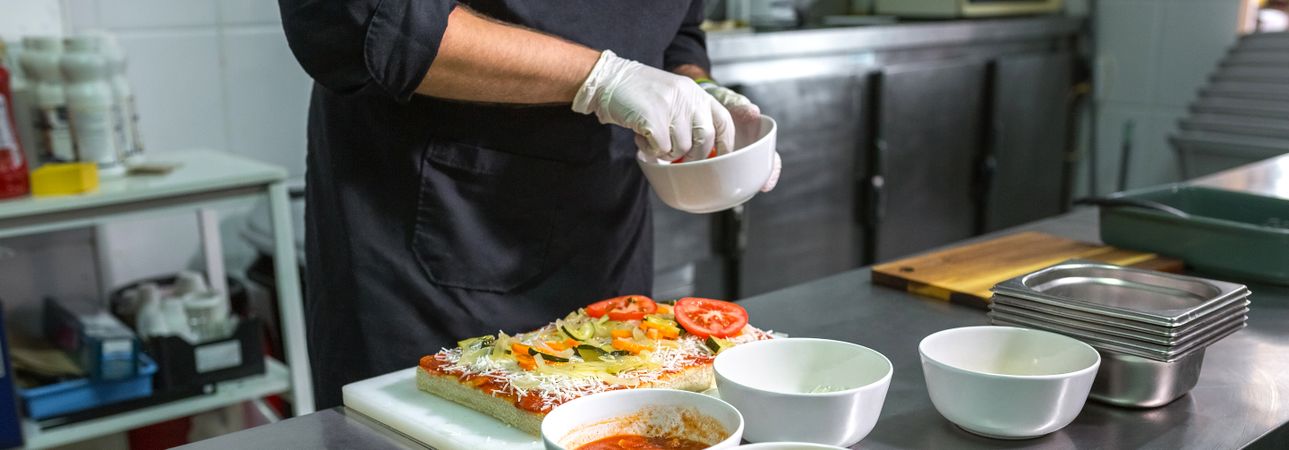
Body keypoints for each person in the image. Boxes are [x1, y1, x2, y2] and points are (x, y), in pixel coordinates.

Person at [278, 0, 782, 408]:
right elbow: (355, 20)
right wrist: (603, 78)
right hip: (431, 232)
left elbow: (679, 26)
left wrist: (693, 86)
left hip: (605, 234)